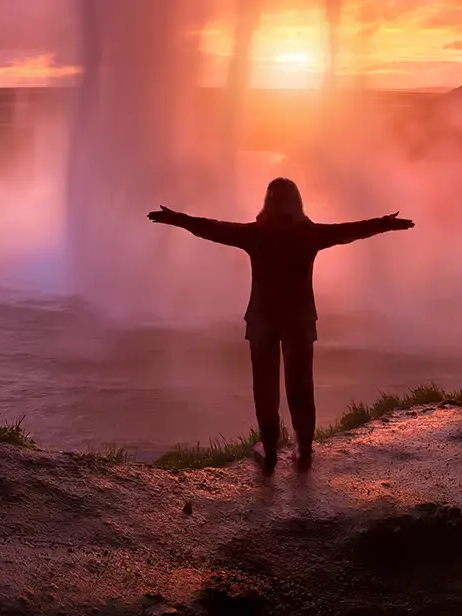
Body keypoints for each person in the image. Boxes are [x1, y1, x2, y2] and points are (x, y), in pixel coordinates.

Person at [148, 178, 414, 473]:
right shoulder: (309, 234)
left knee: (265, 387)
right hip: (299, 320)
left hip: (263, 320)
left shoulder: (256, 234)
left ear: (268, 202)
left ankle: (270, 449)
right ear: (297, 203)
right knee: (301, 387)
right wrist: (385, 223)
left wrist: (177, 219)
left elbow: (212, 228)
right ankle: (304, 451)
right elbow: (349, 231)